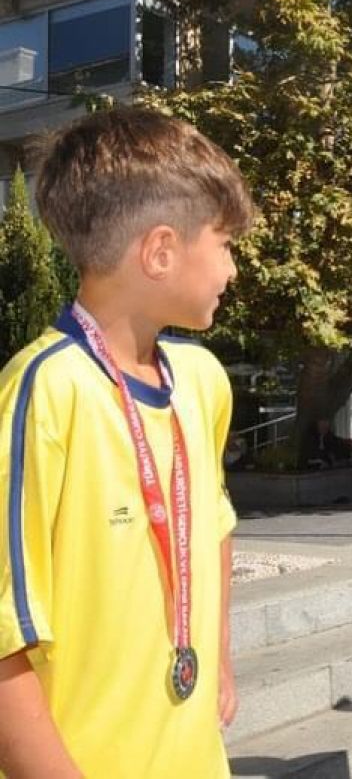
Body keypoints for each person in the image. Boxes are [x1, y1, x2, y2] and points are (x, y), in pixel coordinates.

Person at [0, 108, 255, 777]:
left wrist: (218, 650)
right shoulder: (44, 391)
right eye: (225, 243)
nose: (233, 268)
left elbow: (216, 523)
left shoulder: (202, 381)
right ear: (161, 250)